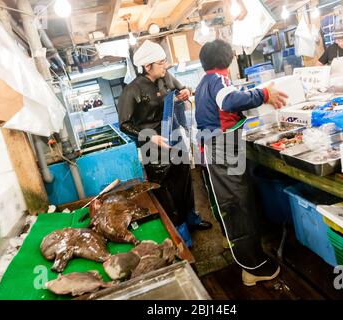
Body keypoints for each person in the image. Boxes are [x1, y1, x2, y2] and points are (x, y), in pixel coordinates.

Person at [194, 39, 288, 286]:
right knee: (239, 204)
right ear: (228, 59)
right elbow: (229, 101)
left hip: (214, 149)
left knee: (231, 204)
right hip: (222, 150)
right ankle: (253, 267)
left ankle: (239, 247)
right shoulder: (219, 80)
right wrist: (264, 94)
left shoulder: (203, 83)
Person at [117, 40, 212, 245]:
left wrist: (184, 92)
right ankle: (180, 233)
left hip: (174, 136)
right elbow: (124, 124)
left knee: (185, 181)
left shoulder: (166, 77)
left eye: (165, 61)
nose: (165, 66)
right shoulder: (132, 90)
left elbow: (180, 90)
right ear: (147, 66)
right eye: (161, 63)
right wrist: (149, 136)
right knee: (166, 191)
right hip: (153, 145)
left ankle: (192, 219)